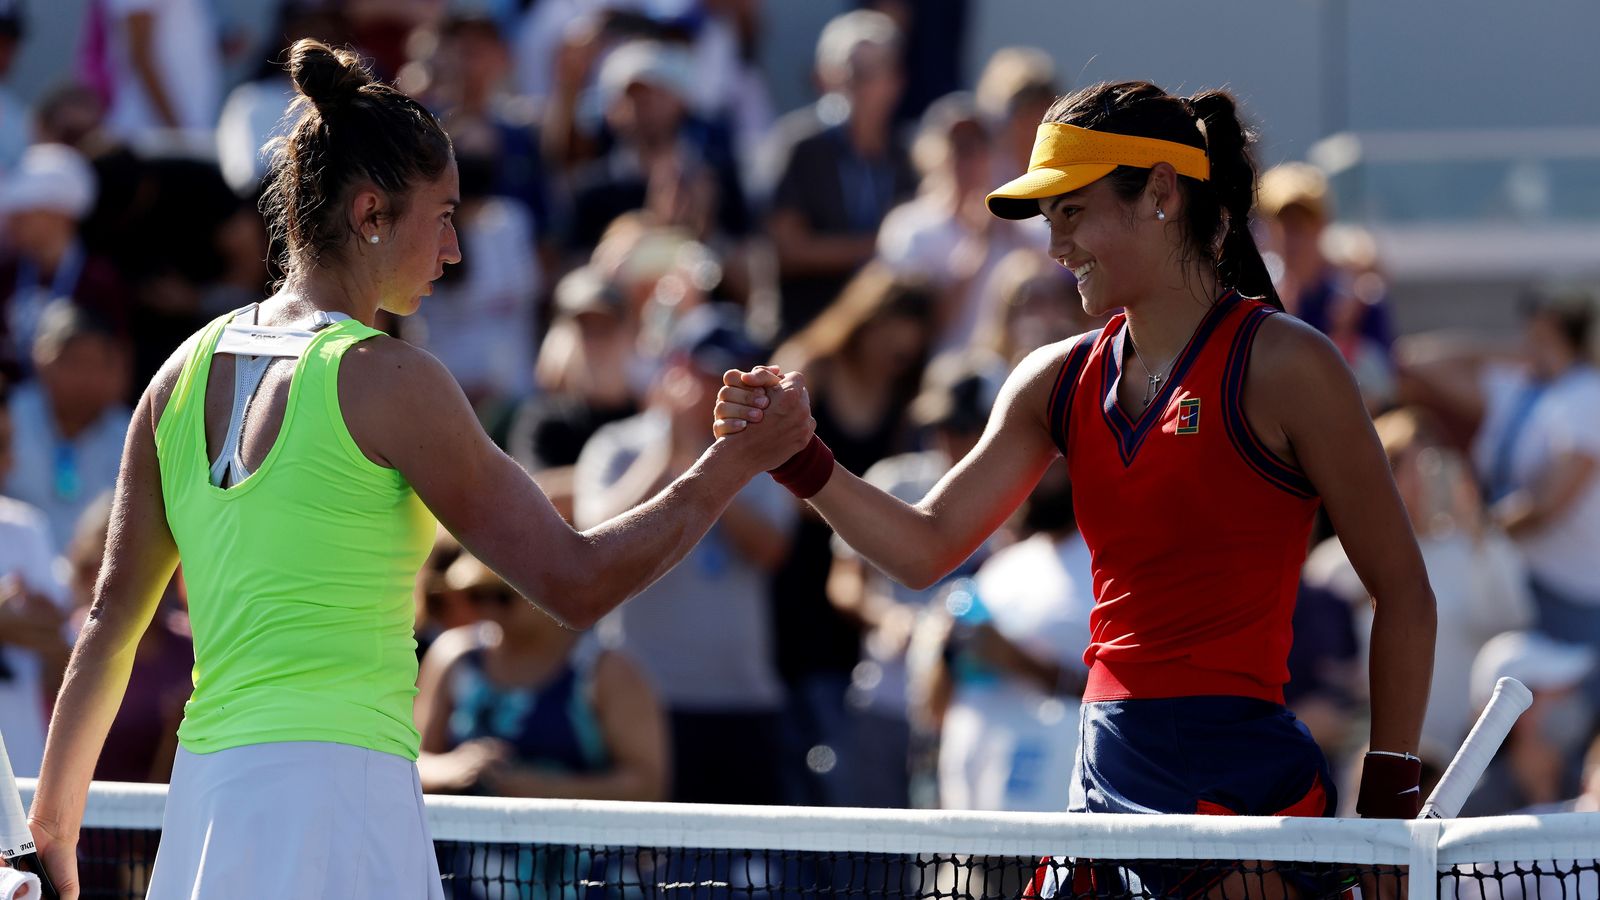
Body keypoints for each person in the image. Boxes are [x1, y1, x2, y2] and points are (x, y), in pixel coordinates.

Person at [19, 40, 811, 900]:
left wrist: (52, 837)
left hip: (209, 813)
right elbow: (578, 583)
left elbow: (107, 627)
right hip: (341, 807)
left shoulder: (176, 373)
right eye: (443, 215)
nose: (454, 250)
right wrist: (736, 461)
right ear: (370, 213)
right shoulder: (391, 379)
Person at [721, 80, 1435, 890]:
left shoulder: (1290, 364)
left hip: (1240, 794)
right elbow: (923, 550)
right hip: (1099, 782)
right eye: (1049, 218)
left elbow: (1404, 591)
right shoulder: (1053, 379)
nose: (1054, 246)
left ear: (1161, 192)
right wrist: (800, 457)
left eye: (1072, 211)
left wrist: (1389, 806)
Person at [577, 306, 795, 805]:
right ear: (676, 369)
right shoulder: (619, 445)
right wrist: (668, 460)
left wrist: (712, 466)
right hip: (645, 699)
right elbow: (594, 538)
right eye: (712, 373)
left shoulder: (762, 453)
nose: (727, 390)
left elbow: (771, 548)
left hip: (742, 699)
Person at [1400, 290, 1600, 707]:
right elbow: (1415, 358)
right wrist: (1507, 353)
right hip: (1509, 579)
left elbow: (1547, 506)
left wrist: (1480, 529)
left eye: (1539, 331)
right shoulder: (1519, 385)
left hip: (1570, 597)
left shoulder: (1587, 394)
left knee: (1560, 725)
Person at [415, 552, 666, 801]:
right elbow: (410, 761)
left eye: (504, 596)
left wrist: (550, 790)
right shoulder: (453, 655)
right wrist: (452, 769)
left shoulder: (607, 670)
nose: (489, 610)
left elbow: (646, 785)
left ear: (551, 594)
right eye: (477, 596)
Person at [1, 300, 133, 553]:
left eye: (95, 363)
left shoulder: (133, 434)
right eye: (73, 362)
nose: (84, 377)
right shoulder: (9, 418)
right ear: (40, 358)